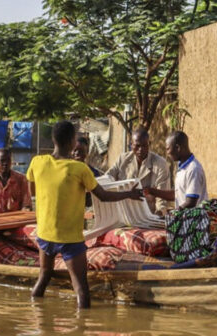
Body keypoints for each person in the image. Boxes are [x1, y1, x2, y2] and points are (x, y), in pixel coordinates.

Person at [27, 121, 143, 309]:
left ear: (54, 139)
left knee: (44, 276)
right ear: (73, 142)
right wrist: (129, 193)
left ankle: (36, 317)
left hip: (45, 235)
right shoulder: (80, 169)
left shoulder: (37, 163)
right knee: (81, 288)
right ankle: (83, 324)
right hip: (70, 239)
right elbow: (103, 196)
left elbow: (32, 192)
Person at [106, 128, 170, 215]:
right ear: (131, 145)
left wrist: (158, 214)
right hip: (124, 214)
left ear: (149, 144)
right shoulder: (122, 160)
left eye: (144, 145)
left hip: (148, 216)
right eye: (137, 146)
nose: (141, 149)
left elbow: (162, 198)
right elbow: (107, 179)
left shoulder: (160, 164)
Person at [143, 131, 208, 210]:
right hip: (186, 218)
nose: (167, 153)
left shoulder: (193, 169)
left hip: (195, 220)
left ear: (178, 148)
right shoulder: (183, 167)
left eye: (168, 149)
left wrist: (173, 213)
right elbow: (177, 194)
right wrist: (151, 191)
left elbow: (191, 202)